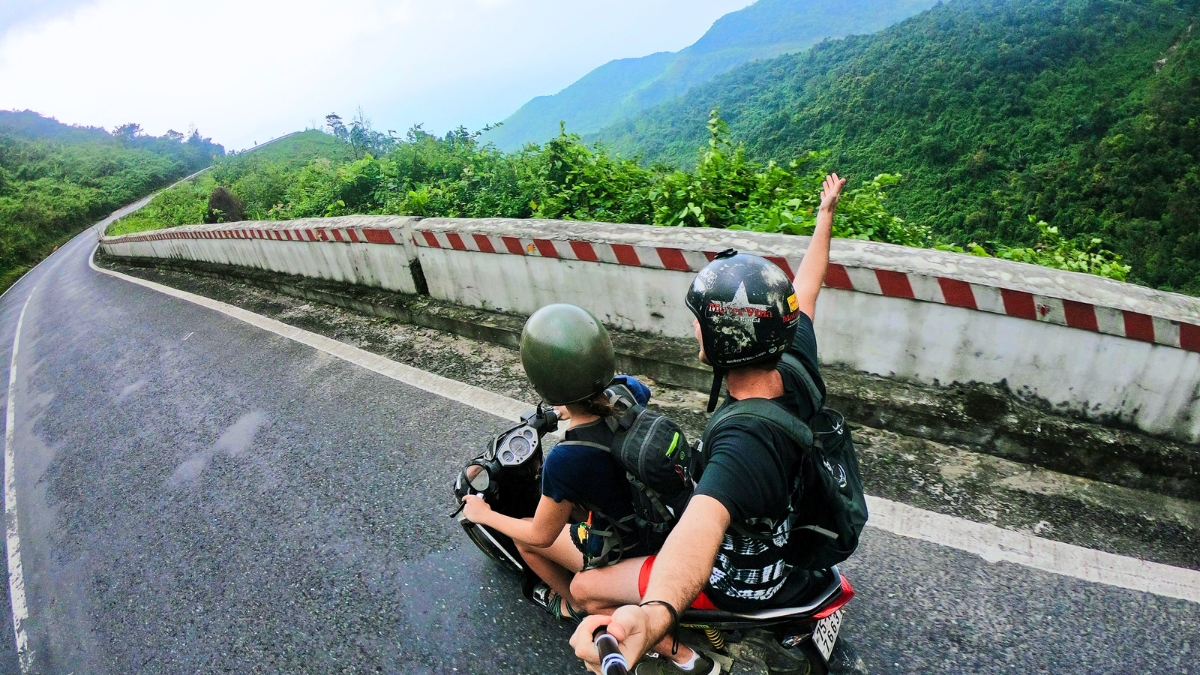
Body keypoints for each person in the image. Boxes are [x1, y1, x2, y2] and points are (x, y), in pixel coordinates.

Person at [568, 174, 849, 673]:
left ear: (724, 337)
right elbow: (807, 286)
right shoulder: (793, 358)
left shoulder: (744, 443)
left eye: (700, 318)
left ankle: (684, 654)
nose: (694, 325)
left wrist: (653, 616)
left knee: (584, 589)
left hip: (741, 579)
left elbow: (699, 531)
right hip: (789, 539)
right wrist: (825, 215)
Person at [460, 304, 707, 671]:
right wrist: (565, 409)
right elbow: (622, 390)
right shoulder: (628, 392)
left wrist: (486, 514)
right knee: (574, 509)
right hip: (665, 515)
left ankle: (574, 607)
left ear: (543, 382)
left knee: (527, 542)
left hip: (636, 546)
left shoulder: (567, 458)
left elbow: (542, 534)